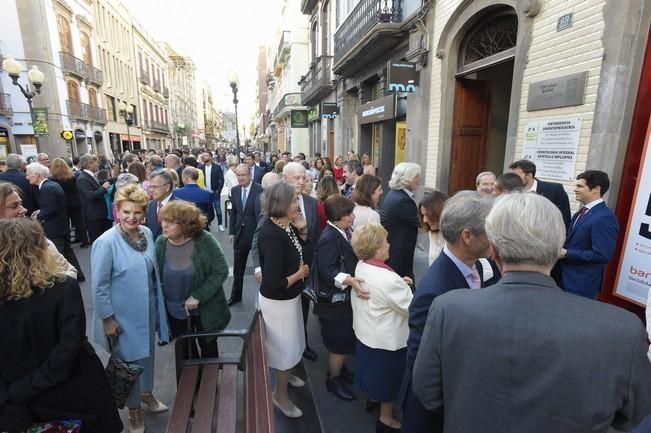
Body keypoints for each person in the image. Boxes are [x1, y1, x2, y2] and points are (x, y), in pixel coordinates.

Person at [412, 192, 651, 433]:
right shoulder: (624, 329)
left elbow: (428, 393)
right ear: (559, 249)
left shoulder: (448, 309)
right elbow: (634, 417)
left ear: (493, 250)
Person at [0, 218, 122, 433]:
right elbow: (68, 348)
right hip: (76, 395)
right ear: (37, 249)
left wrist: (13, 394)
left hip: (22, 404)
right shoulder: (64, 288)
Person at [402, 190, 499, 433]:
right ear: (467, 236)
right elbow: (421, 367)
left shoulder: (480, 266)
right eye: (491, 231)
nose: (497, 238)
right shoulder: (434, 293)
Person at [91, 184, 170, 433]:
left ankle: (146, 394)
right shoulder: (106, 242)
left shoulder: (146, 233)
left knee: (147, 357)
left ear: (144, 213)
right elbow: (99, 285)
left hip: (146, 310)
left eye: (137, 212)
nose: (131, 218)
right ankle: (134, 410)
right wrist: (107, 318)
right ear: (117, 210)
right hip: (122, 317)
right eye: (126, 212)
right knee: (128, 363)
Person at [351, 223, 413, 433]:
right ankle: (386, 419)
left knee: (373, 373)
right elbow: (411, 308)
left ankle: (373, 398)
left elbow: (381, 291)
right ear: (377, 247)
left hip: (367, 332)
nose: (389, 244)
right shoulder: (389, 280)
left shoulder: (361, 265)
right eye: (386, 241)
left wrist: (399, 283)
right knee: (389, 381)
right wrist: (404, 286)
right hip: (387, 341)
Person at [258, 182, 310, 419]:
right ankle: (279, 395)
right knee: (283, 351)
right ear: (280, 204)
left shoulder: (286, 226)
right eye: (293, 201)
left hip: (289, 300)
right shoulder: (271, 234)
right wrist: (299, 275)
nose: (298, 205)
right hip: (278, 305)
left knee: (292, 343)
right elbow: (271, 286)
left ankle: (286, 375)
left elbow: (302, 253)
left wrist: (303, 230)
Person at [156, 201, 230, 358]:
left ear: (185, 224)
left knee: (208, 350)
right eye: (163, 220)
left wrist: (198, 295)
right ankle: (191, 382)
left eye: (171, 222)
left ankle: (210, 381)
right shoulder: (161, 243)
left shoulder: (205, 240)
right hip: (175, 311)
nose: (164, 226)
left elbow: (221, 270)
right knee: (185, 354)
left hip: (206, 309)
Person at [314, 195, 366, 402]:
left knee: (343, 340)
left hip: (342, 301)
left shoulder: (340, 231)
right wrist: (349, 280)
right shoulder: (329, 238)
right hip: (334, 305)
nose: (353, 217)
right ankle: (333, 379)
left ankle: (340, 371)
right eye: (349, 214)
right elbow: (327, 271)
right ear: (338, 217)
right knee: (339, 343)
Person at [559, 170, 619, 298]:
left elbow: (602, 255)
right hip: (564, 279)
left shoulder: (605, 218)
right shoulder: (581, 212)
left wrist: (566, 253)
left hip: (581, 285)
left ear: (596, 189)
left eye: (580, 186)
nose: (575, 189)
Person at [283, 162, 321, 361]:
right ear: (285, 179)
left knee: (305, 307)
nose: (301, 182)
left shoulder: (311, 202)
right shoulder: (275, 203)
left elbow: (317, 233)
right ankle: (290, 347)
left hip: (308, 266)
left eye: (303, 178)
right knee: (289, 312)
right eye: (296, 178)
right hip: (286, 270)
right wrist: (259, 267)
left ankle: (303, 343)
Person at [0, 182, 77, 279]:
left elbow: (71, 273)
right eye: (14, 206)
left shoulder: (40, 241)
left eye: (21, 204)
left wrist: (46, 283)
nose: (24, 210)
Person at [26, 163, 84, 282]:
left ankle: (65, 281)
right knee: (68, 253)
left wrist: (38, 216)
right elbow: (52, 205)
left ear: (37, 175)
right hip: (61, 226)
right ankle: (79, 275)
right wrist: (40, 211)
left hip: (55, 228)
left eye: (29, 175)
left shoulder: (46, 188)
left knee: (58, 256)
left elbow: (51, 207)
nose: (27, 177)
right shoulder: (52, 185)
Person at [228, 164, 263, 306]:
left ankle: (262, 299)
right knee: (238, 269)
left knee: (260, 269)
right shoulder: (235, 190)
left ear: (250, 175)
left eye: (243, 175)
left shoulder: (260, 189)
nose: (241, 178)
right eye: (238, 175)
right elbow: (234, 214)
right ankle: (235, 296)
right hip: (240, 235)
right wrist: (231, 232)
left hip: (256, 236)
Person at [380, 162, 421, 280]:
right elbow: (421, 222)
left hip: (395, 249)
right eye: (416, 176)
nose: (419, 179)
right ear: (406, 179)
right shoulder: (402, 200)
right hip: (399, 254)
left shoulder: (395, 194)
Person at [510, 159, 571, 228]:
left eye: (516, 176)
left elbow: (565, 219)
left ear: (529, 176)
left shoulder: (555, 190)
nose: (513, 179)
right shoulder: (511, 192)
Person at [50, 157, 89, 247]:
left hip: (63, 204)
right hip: (75, 202)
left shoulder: (53, 180)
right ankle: (85, 241)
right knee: (79, 222)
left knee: (66, 224)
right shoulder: (73, 177)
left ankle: (67, 242)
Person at [77, 154, 112, 242]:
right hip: (93, 217)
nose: (98, 164)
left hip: (99, 215)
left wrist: (112, 180)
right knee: (98, 242)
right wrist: (104, 188)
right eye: (96, 162)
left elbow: (97, 184)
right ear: (89, 164)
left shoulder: (89, 176)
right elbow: (90, 196)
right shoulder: (82, 178)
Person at [418, 190, 448, 265]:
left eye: (428, 215)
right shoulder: (432, 232)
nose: (424, 220)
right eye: (423, 215)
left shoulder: (455, 237)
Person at [145, 170, 176, 239]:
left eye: (155, 187)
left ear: (167, 187)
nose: (151, 190)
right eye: (150, 187)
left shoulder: (181, 207)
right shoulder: (150, 205)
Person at [201, 152, 225, 231]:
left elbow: (221, 180)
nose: (204, 157)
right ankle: (208, 223)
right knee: (206, 210)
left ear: (211, 157)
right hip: (205, 193)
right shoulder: (201, 167)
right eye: (203, 156)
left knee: (218, 209)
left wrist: (218, 190)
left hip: (215, 192)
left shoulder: (217, 167)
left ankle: (220, 224)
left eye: (206, 156)